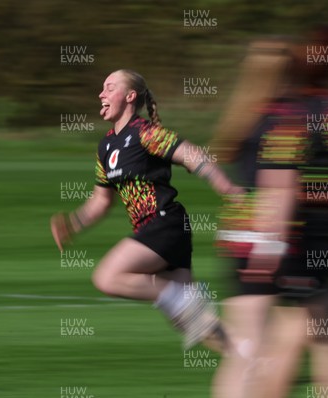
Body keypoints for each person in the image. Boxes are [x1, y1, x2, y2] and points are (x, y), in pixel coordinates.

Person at [212, 26, 328, 398]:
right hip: (284, 241)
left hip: (239, 237)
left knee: (259, 346)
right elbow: (282, 188)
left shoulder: (244, 115)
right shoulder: (303, 115)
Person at [50, 69, 242, 349]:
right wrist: (73, 224)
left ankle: (182, 298)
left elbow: (192, 155)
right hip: (157, 230)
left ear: (129, 96)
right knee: (197, 326)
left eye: (109, 88)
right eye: (102, 88)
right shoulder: (106, 146)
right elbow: (100, 202)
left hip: (165, 224)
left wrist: (226, 188)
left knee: (107, 277)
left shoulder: (146, 133)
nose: (101, 94)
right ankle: (250, 358)